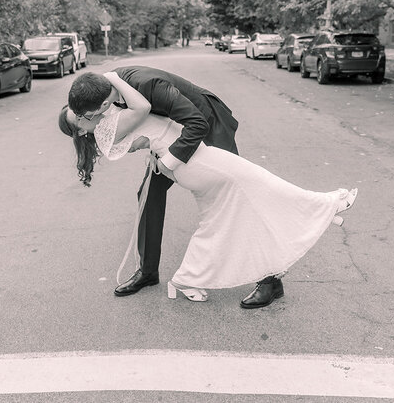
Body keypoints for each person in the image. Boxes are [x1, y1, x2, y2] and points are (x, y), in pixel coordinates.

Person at [60, 71, 358, 308]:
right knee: (149, 195)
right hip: (174, 144)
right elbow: (145, 124)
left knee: (245, 198)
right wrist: (158, 153)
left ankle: (270, 280)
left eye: (82, 118)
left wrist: (168, 160)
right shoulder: (105, 98)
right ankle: (149, 272)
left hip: (206, 127)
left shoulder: (140, 85)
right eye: (80, 123)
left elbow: (194, 122)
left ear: (97, 106)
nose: (88, 124)